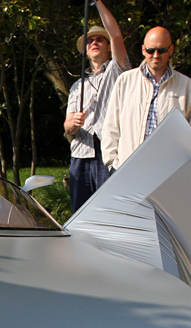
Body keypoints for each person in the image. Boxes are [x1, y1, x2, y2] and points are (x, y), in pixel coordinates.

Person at [101, 26, 191, 171]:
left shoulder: (187, 86)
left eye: (161, 50)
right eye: (150, 50)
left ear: (171, 50)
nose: (156, 55)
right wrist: (112, 164)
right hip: (128, 170)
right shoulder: (125, 81)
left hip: (167, 173)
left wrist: (180, 169)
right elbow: (111, 127)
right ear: (143, 50)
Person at [63, 1, 129, 211]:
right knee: (80, 214)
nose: (94, 42)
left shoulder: (117, 71)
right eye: (90, 40)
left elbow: (117, 36)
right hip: (80, 155)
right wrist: (70, 125)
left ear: (108, 46)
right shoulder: (76, 86)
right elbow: (66, 128)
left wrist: (97, 2)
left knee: (109, 212)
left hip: (107, 154)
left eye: (100, 39)